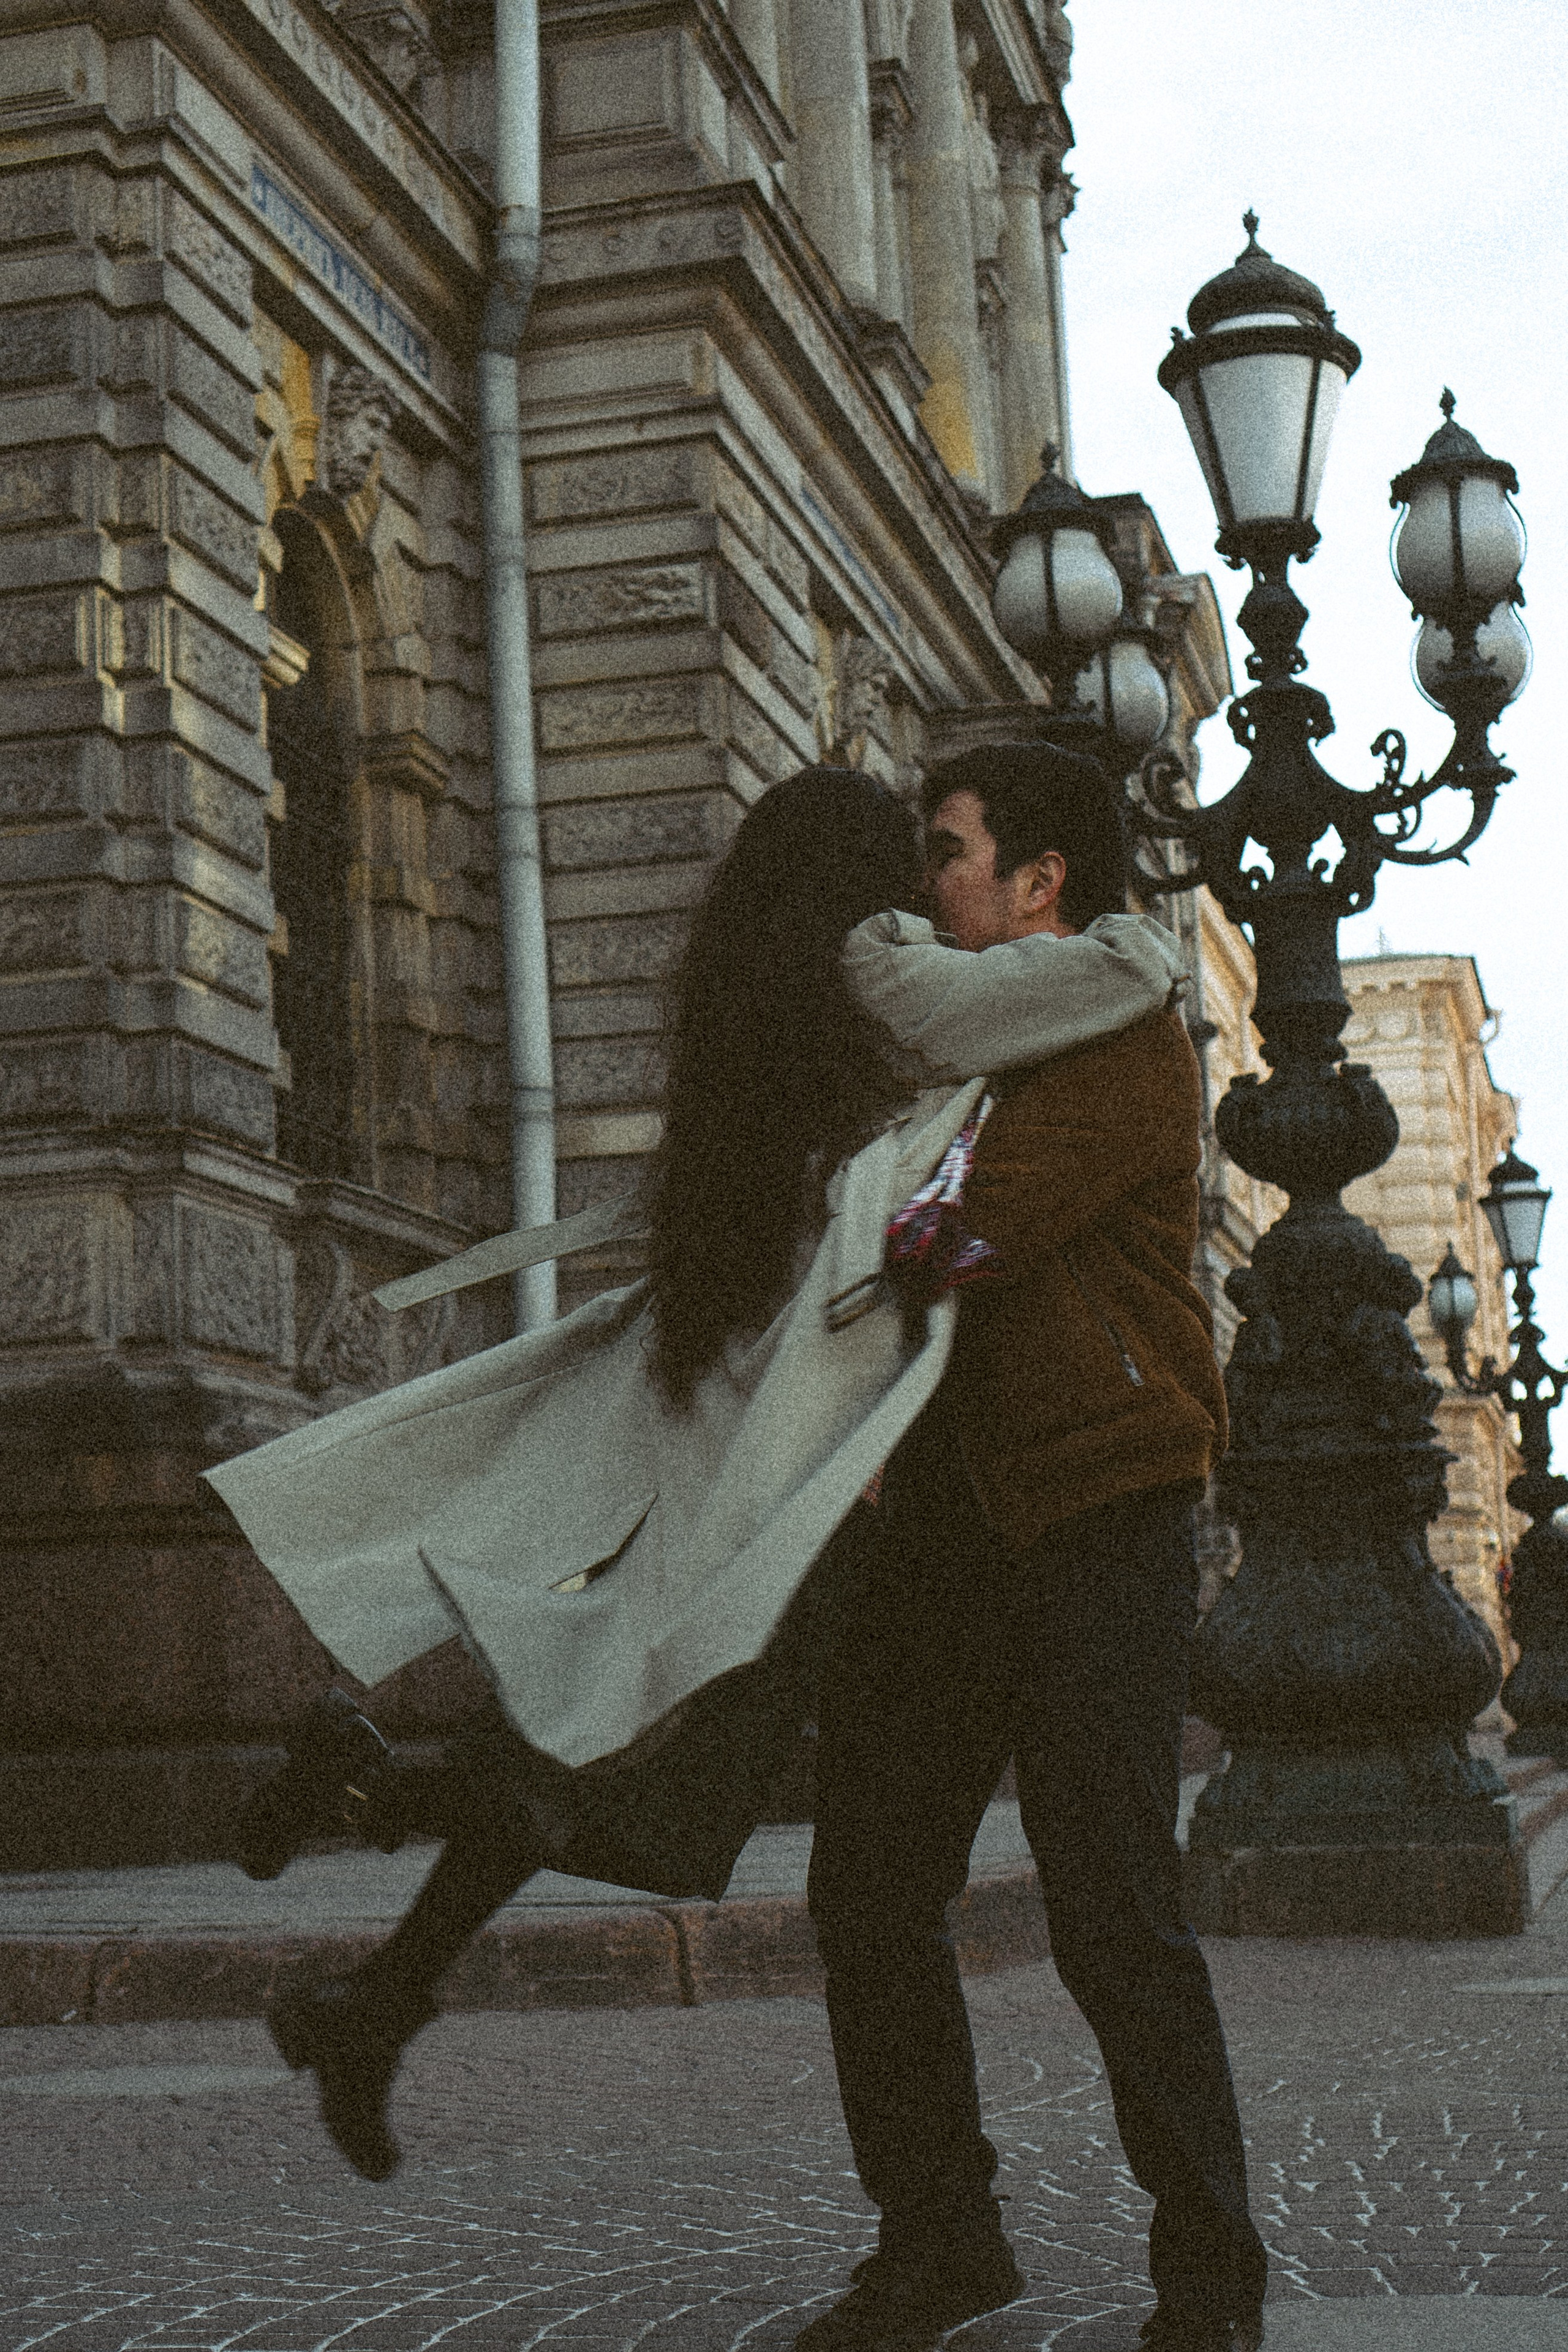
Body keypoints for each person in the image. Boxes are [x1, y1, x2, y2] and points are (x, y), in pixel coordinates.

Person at [203, 760, 1188, 2187]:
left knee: (635, 1754)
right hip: (809, 1485)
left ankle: (378, 1922)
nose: (929, 888)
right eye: (916, 865)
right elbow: (1036, 1037)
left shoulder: (763, 1018)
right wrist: (1135, 945)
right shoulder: (892, 1010)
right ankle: (375, 1874)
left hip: (750, 1448)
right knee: (654, 1774)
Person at [796, 746, 1267, 2352]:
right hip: (943, 1520)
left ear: (1041, 879)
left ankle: (1211, 2278)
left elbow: (953, 1238)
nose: (924, 886)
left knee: (1112, 1905)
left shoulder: (1116, 1030)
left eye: (950, 853)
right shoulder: (957, 1056)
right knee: (864, 1883)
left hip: (1093, 1513)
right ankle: (941, 2243)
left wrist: (859, 1212)